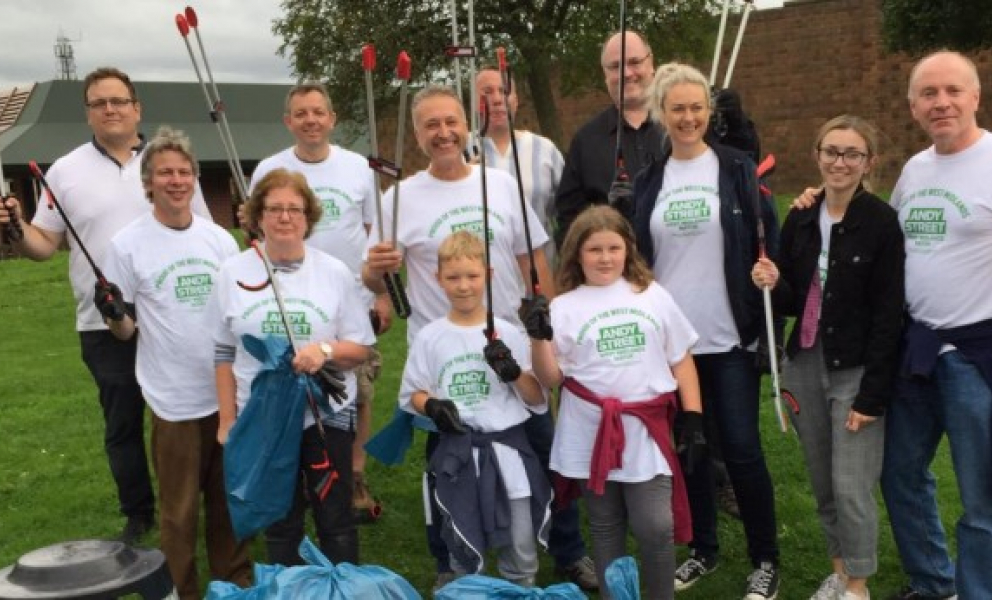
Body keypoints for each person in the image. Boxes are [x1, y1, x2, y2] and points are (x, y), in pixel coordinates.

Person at [0, 67, 212, 543]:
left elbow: (205, 235)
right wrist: (15, 227)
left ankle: (195, 503)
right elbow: (44, 243)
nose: (110, 109)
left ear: (137, 107)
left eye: (119, 101)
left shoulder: (169, 164)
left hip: (171, 318)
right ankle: (138, 514)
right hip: (103, 321)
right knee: (122, 425)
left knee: (183, 418)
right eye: (99, 103)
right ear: (89, 113)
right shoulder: (65, 171)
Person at [362, 84, 554, 591]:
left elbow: (531, 258)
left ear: (465, 125)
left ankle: (561, 545)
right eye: (431, 125)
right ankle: (452, 560)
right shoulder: (398, 199)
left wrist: (547, 320)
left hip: (508, 340)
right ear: (419, 135)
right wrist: (376, 271)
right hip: (442, 350)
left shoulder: (500, 184)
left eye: (451, 121)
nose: (443, 132)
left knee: (538, 451)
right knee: (448, 469)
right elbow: (373, 278)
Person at [630, 62, 782, 600]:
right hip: (674, 349)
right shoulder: (648, 180)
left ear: (708, 112)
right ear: (661, 114)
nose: (688, 117)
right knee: (690, 451)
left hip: (731, 338)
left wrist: (770, 267)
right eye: (678, 109)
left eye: (697, 108)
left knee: (741, 449)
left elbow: (769, 235)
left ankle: (765, 558)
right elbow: (638, 259)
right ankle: (705, 550)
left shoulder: (738, 168)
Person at [752, 116, 904, 600]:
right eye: (832, 151)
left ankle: (857, 586)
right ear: (817, 154)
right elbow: (797, 297)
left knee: (852, 485)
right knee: (822, 481)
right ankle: (838, 573)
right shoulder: (800, 215)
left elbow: (888, 314)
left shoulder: (880, 222)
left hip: (855, 370)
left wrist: (873, 394)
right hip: (806, 361)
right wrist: (774, 281)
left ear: (868, 163)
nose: (841, 162)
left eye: (852, 154)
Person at [99, 127, 250, 599]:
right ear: (149, 183)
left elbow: (237, 317)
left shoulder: (220, 241)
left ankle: (235, 585)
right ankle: (180, 590)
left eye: (184, 172)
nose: (176, 180)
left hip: (226, 396)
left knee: (228, 503)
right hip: (173, 401)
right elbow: (124, 329)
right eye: (165, 172)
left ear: (195, 179)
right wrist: (114, 313)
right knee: (179, 511)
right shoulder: (126, 245)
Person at [526, 205, 705, 600]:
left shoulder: (651, 295)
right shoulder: (563, 307)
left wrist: (693, 415)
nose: (605, 258)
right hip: (591, 431)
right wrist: (539, 337)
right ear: (577, 253)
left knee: (655, 525)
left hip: (645, 428)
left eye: (613, 248)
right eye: (594, 249)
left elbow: (680, 357)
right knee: (606, 526)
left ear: (628, 250)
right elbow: (551, 378)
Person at [211, 168, 374, 566]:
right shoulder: (232, 273)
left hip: (326, 417)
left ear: (308, 217)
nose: (285, 217)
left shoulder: (334, 273)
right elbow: (222, 352)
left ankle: (342, 589)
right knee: (280, 519)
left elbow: (362, 348)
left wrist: (324, 350)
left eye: (294, 209)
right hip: (263, 416)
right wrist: (228, 419)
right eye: (275, 208)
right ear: (257, 215)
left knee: (334, 516)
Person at [476, 66, 597, 591]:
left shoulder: (544, 150)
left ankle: (568, 547)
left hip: (532, 306)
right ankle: (477, 546)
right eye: (482, 95)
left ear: (515, 97)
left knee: (548, 436)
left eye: (500, 91)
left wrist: (550, 302)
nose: (493, 101)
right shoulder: (466, 157)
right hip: (479, 316)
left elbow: (556, 225)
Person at [877, 50, 992, 600]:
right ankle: (933, 581)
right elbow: (886, 238)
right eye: (929, 93)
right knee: (899, 473)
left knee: (982, 495)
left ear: (975, 97)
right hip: (918, 349)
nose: (941, 102)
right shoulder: (915, 170)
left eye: (952, 90)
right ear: (914, 106)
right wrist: (818, 201)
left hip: (978, 354)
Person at [249, 82, 390, 523]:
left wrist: (381, 293)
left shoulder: (357, 168)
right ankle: (295, 476)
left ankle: (353, 472)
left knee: (357, 392)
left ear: (331, 118)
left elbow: (376, 233)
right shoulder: (269, 169)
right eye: (301, 113)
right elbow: (254, 236)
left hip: (350, 297)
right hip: (289, 300)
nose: (311, 120)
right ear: (288, 121)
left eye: (318, 111)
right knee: (291, 386)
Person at [400, 230, 550, 586]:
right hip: (459, 454)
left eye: (472, 276)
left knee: (520, 543)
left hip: (508, 451)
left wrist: (513, 374)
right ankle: (466, 588)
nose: (463, 286)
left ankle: (521, 588)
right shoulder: (430, 336)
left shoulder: (510, 333)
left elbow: (537, 398)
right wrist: (433, 405)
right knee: (462, 545)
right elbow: (412, 394)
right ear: (438, 279)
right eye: (453, 277)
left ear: (490, 275)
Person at [554, 30, 664, 247]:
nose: (627, 73)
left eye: (634, 62)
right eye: (615, 67)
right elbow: (569, 222)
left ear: (651, 64)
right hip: (617, 274)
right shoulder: (585, 142)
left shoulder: (679, 127)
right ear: (605, 75)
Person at [476, 67, 564, 266]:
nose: (497, 99)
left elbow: (567, 213)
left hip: (541, 277)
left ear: (515, 99)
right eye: (487, 92)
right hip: (481, 284)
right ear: (474, 101)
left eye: (504, 91)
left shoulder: (545, 150)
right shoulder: (462, 152)